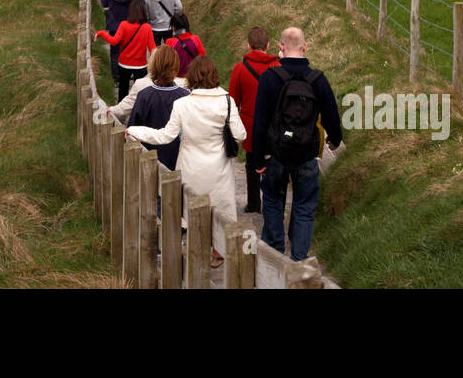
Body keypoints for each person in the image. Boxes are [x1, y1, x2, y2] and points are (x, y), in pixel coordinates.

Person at [126, 56, 246, 268]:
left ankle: (196, 258)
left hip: (191, 168)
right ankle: (216, 251)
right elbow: (240, 135)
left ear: (190, 77)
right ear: (214, 75)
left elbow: (164, 136)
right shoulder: (227, 101)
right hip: (218, 171)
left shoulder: (182, 104)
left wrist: (134, 130)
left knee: (192, 215)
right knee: (220, 212)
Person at [249, 27, 343, 262]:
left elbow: (260, 122)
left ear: (281, 47)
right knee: (304, 207)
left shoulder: (270, 78)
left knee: (272, 201)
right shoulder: (318, 80)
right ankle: (298, 261)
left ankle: (274, 255)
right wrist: (334, 139)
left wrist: (259, 159)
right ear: (305, 46)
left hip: (276, 155)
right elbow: (332, 117)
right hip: (306, 156)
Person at [228, 27, 280, 213]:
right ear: (268, 45)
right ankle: (273, 203)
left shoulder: (240, 69)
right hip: (274, 126)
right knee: (274, 163)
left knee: (251, 166)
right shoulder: (277, 67)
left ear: (248, 45)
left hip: (250, 124)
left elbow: (233, 100)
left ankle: (254, 204)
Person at [126, 46, 190, 170]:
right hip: (178, 161)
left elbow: (132, 129)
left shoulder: (144, 96)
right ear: (176, 67)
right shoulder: (185, 96)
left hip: (148, 160)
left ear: (153, 65)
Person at [107, 44, 189, 124]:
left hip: (147, 134)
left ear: (153, 63)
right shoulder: (183, 86)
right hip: (175, 135)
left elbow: (123, 109)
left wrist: (107, 111)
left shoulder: (142, 85)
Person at [95, 0, 155, 101]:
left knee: (123, 91)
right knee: (141, 93)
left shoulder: (124, 25)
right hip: (140, 66)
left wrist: (101, 33)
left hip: (124, 64)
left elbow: (114, 41)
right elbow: (152, 49)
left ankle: (120, 114)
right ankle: (139, 113)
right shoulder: (147, 27)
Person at [167, 12, 205, 77]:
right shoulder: (196, 39)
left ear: (173, 27)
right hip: (193, 78)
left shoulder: (170, 42)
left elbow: (167, 63)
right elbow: (203, 59)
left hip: (176, 79)